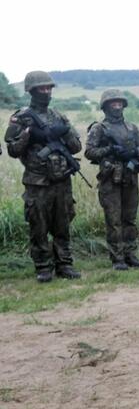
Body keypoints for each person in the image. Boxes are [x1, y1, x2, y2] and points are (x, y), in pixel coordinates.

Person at [4, 71, 84, 282]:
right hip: (37, 182)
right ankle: (43, 267)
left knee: (63, 223)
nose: (46, 92)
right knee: (38, 225)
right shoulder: (21, 117)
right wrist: (29, 134)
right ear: (31, 90)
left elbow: (76, 147)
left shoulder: (59, 116)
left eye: (49, 88)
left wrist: (64, 132)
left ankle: (64, 264)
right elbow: (12, 150)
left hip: (62, 180)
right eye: (42, 88)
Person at [84, 90, 139, 270]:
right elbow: (89, 152)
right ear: (105, 107)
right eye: (113, 103)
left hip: (130, 178)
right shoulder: (99, 128)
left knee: (130, 218)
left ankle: (130, 254)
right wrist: (109, 150)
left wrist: (133, 153)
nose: (117, 106)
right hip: (110, 179)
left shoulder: (132, 128)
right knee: (113, 220)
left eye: (119, 103)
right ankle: (117, 258)